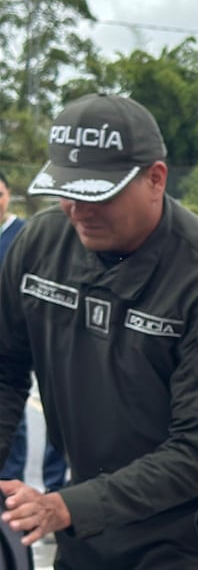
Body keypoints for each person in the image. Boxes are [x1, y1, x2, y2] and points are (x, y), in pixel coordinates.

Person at [0, 94, 198, 570]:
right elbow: (5, 372)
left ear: (156, 178)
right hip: (88, 522)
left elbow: (196, 452)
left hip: (191, 530)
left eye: (98, 195)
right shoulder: (39, 247)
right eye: (66, 193)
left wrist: (65, 506)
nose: (78, 211)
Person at [0, 170, 70, 497]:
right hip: (6, 335)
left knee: (56, 409)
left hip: (40, 334)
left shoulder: (25, 235)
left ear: (7, 195)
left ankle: (54, 485)